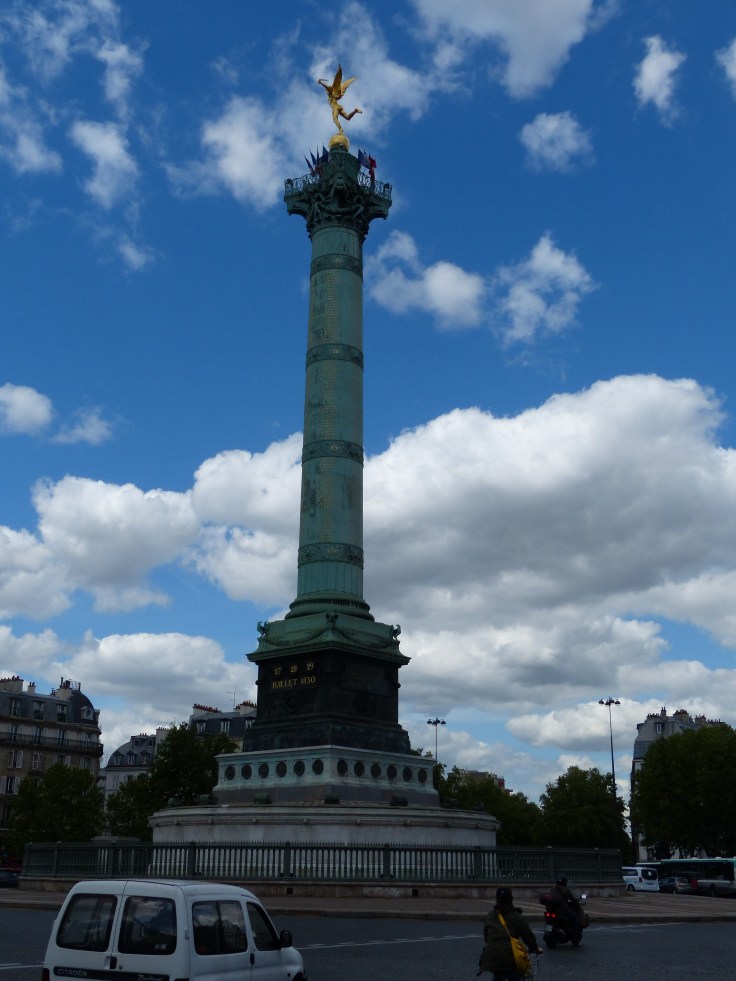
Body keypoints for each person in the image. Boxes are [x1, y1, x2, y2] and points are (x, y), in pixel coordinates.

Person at [477, 887, 543, 980]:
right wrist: (535, 948)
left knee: (497, 975)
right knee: (515, 975)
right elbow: (528, 936)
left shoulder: (490, 915)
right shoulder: (516, 916)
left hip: (492, 957)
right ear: (511, 898)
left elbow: (486, 936)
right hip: (510, 958)